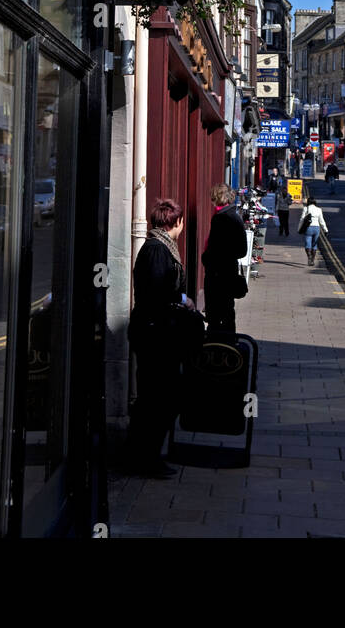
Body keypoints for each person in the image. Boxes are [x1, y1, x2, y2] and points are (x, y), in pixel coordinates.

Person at [126, 198, 199, 479]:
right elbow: (157, 291)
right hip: (154, 334)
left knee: (157, 397)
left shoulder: (160, 247)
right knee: (159, 399)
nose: (182, 226)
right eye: (181, 221)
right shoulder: (158, 250)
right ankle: (145, 457)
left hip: (158, 331)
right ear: (175, 222)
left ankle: (144, 454)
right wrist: (182, 298)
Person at [202, 183, 248, 337]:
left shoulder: (220, 219)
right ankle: (229, 347)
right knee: (228, 312)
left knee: (215, 316)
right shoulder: (235, 217)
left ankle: (217, 351)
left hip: (217, 276)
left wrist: (206, 258)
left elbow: (214, 250)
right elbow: (242, 251)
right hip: (230, 273)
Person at [299, 192, 328, 266]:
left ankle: (309, 257)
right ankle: (312, 260)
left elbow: (302, 219)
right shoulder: (319, 209)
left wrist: (299, 229)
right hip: (317, 228)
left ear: (308, 202)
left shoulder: (306, 208)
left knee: (308, 243)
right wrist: (325, 230)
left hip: (308, 228)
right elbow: (322, 221)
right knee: (314, 245)